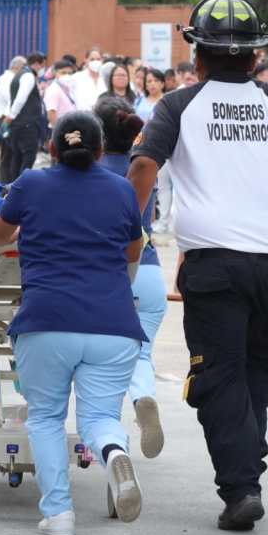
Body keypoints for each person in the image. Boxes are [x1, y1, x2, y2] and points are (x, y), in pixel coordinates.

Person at [128, 0, 268, 532]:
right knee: (256, 371)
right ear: (256, 55)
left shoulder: (177, 104)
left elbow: (144, 167)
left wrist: (128, 228)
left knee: (219, 376)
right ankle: (248, 473)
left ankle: (241, 487)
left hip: (215, 262)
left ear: (197, 55)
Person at [0, 111, 147, 535]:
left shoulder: (31, 183)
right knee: (98, 418)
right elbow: (133, 251)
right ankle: (113, 452)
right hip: (114, 324)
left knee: (45, 418)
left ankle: (59, 514)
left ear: (53, 149)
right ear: (99, 152)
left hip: (47, 320)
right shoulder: (121, 190)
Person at [94, 95, 166, 458]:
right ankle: (143, 395)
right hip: (150, 272)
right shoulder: (145, 167)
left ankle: (105, 435)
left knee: (96, 362)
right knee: (141, 352)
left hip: (108, 273)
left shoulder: (91, 171)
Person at [5, 53, 47, 182]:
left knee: (17, 157)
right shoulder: (28, 76)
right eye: (42, 66)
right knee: (28, 157)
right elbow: (20, 99)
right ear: (36, 63)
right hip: (27, 123)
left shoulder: (19, 74)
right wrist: (10, 116)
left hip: (19, 123)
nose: (42, 69)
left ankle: (13, 187)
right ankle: (22, 185)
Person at [0, 56, 26, 184]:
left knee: (12, 155)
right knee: (8, 155)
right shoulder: (6, 79)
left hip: (9, 120)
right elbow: (12, 98)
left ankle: (8, 183)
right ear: (17, 67)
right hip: (5, 121)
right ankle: (5, 184)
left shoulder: (10, 79)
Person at [43, 60, 77, 129]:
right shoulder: (53, 89)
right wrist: (58, 131)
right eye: (63, 73)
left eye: (69, 73)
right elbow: (51, 113)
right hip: (60, 130)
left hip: (70, 127)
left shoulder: (68, 87)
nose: (67, 75)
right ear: (55, 73)